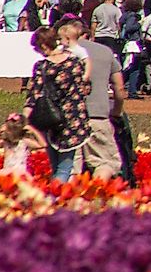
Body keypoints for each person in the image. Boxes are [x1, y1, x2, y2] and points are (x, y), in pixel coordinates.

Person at [25, 25, 90, 182]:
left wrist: (24, 118)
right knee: (65, 166)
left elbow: (33, 95)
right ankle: (59, 196)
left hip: (51, 120)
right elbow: (86, 87)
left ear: (44, 46)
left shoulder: (43, 67)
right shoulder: (75, 62)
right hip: (74, 120)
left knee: (58, 167)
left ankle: (54, 197)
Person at [72, 19, 127, 179]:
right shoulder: (105, 52)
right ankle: (99, 191)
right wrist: (116, 112)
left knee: (71, 168)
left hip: (70, 119)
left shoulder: (62, 52)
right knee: (105, 163)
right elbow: (119, 87)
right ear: (87, 34)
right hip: (97, 115)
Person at [0, 110, 44, 177]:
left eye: (8, 130)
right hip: (7, 172)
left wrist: (34, 131)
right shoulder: (5, 142)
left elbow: (43, 145)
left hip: (21, 173)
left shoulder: (24, 142)